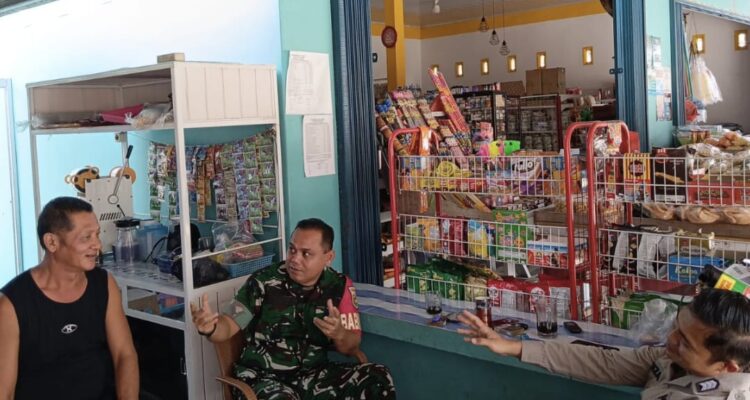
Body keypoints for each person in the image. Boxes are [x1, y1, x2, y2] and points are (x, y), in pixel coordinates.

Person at [191, 218, 396, 400]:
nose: (294, 259)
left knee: (377, 377)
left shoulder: (339, 286)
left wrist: (340, 333)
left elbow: (351, 346)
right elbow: (228, 325)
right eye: (292, 250)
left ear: (328, 257)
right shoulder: (263, 281)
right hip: (264, 378)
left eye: (306, 253)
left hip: (314, 376)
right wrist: (211, 327)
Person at [458, 288, 750, 399]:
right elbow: (603, 362)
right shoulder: (670, 359)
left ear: (727, 367)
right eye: (676, 326)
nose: (670, 340)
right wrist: (514, 347)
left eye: (685, 342)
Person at [0, 196, 139, 399]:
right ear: (52, 242)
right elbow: (4, 391)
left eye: (97, 235)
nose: (97, 245)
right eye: (86, 237)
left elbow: (124, 355)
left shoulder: (104, 283)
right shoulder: (11, 304)